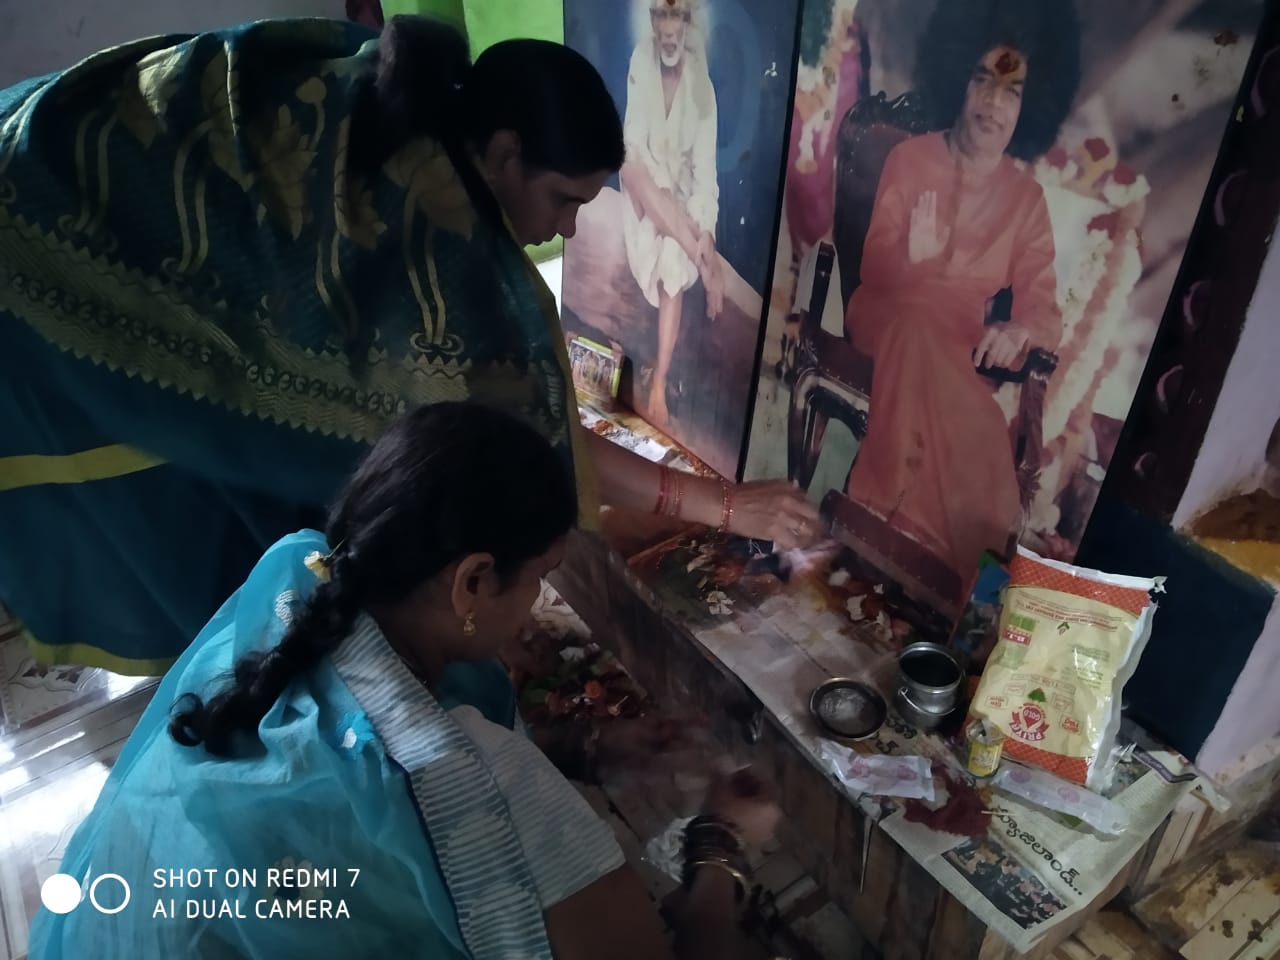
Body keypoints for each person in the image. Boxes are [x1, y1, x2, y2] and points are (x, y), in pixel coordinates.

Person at [0, 14, 820, 675]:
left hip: (52, 142)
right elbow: (536, 444)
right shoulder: (445, 270)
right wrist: (727, 505)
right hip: (41, 252)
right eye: (563, 200)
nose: (568, 230)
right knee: (193, 524)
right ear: (504, 154)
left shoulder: (421, 97)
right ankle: (239, 692)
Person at [28, 402, 782, 960]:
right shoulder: (493, 793)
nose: (534, 608)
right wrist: (720, 846)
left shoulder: (294, 579)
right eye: (540, 578)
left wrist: (584, 748)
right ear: (473, 582)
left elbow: (379, 753)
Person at [842, 2, 1080, 596]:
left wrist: (1020, 329)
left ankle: (914, 553)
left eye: (1011, 91)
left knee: (964, 405)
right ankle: (912, 545)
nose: (993, 103)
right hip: (887, 312)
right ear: (958, 79)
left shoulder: (1026, 200)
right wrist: (915, 259)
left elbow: (1045, 309)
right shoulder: (909, 158)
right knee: (927, 345)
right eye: (982, 80)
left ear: (1029, 106)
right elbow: (872, 269)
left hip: (954, 342)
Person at [619, 0, 725, 426]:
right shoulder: (640, 61)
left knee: (672, 259)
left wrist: (705, 230)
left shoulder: (703, 89)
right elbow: (631, 145)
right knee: (631, 166)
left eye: (676, 16)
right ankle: (702, 259)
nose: (668, 28)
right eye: (660, 16)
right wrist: (661, 193)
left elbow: (705, 179)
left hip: (680, 208)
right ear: (651, 21)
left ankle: (659, 381)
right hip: (642, 194)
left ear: (688, 23)